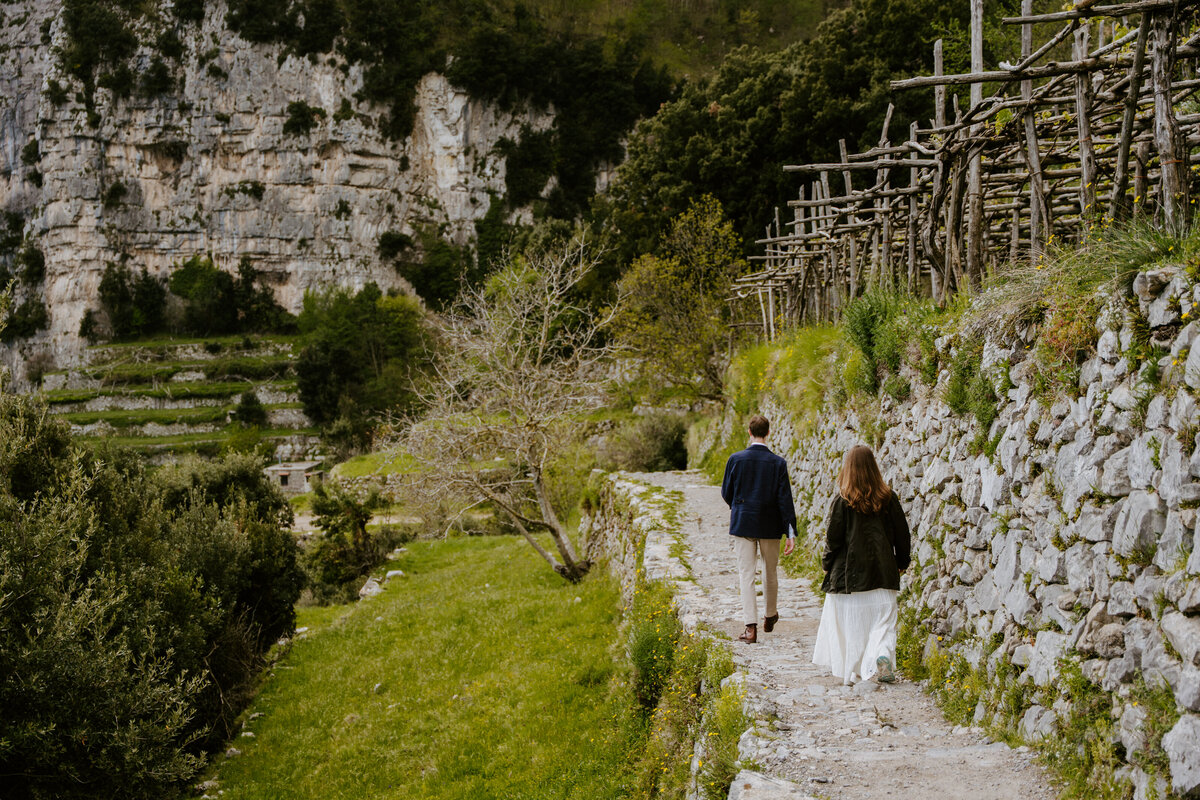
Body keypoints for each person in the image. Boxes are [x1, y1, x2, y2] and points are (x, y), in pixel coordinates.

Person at [812, 444, 911, 684]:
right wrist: (902, 562)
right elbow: (902, 535)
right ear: (873, 468)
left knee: (850, 628)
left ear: (848, 469)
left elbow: (833, 540)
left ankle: (853, 672)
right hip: (882, 574)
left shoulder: (842, 501)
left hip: (849, 579)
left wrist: (826, 564)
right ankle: (881, 655)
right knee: (883, 623)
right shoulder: (888, 498)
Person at [721, 415, 797, 644]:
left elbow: (727, 492)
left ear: (749, 431)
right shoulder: (778, 463)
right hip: (770, 525)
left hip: (743, 521)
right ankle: (770, 614)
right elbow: (785, 500)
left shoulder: (735, 460)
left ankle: (750, 628)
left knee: (746, 574)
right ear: (768, 433)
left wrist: (739, 508)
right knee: (770, 571)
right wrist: (790, 532)